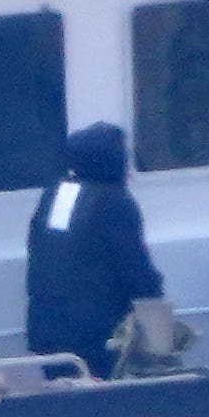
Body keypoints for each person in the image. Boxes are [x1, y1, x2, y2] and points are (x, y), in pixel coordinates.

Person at [25, 122, 166, 380]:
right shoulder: (114, 204)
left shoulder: (55, 194)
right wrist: (160, 327)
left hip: (45, 333)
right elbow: (137, 273)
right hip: (95, 339)